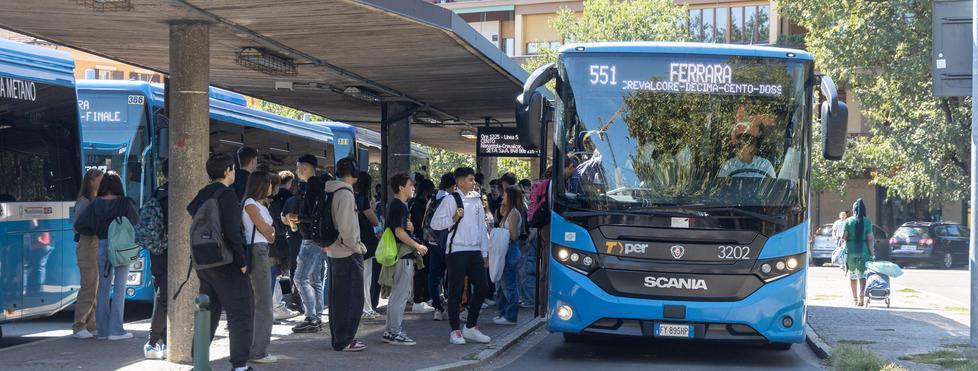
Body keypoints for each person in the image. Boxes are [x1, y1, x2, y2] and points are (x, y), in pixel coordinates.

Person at [186, 154, 254, 371]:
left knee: (210, 312)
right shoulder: (227, 195)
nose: (234, 173)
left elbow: (192, 212)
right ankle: (240, 365)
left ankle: (199, 360)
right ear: (227, 171)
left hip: (204, 262)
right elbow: (233, 232)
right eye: (233, 169)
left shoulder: (203, 194)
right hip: (226, 262)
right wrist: (242, 261)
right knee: (241, 312)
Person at [73, 171, 138, 341]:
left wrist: (97, 231)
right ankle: (116, 330)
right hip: (122, 249)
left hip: (102, 246)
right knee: (120, 289)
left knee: (103, 288)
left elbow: (80, 225)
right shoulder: (124, 203)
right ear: (118, 186)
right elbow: (136, 221)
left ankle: (102, 330)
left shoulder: (95, 204)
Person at [431, 167, 492, 345]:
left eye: (474, 180)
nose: (474, 182)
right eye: (471, 179)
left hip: (474, 250)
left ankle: (470, 327)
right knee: (455, 291)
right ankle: (455, 330)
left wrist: (485, 252)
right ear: (460, 182)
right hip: (456, 250)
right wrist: (453, 219)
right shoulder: (450, 199)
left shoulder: (477, 200)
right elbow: (435, 223)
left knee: (482, 286)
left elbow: (482, 228)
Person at [325, 158, 369, 352]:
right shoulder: (346, 194)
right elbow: (346, 227)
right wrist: (356, 246)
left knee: (338, 299)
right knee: (353, 298)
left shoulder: (330, 190)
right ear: (355, 172)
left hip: (333, 250)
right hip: (347, 253)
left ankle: (338, 338)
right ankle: (344, 340)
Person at [381, 173, 429, 346]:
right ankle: (394, 332)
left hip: (398, 256)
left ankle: (391, 331)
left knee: (397, 296)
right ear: (401, 187)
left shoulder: (397, 205)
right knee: (400, 296)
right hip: (403, 256)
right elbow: (399, 232)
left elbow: (400, 229)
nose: (413, 188)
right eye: (410, 185)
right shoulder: (399, 206)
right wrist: (418, 246)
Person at [241, 171, 278, 364]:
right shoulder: (250, 204)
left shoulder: (258, 204)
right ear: (261, 185)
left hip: (260, 249)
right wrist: (271, 233)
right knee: (264, 303)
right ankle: (259, 351)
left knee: (260, 302)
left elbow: (270, 231)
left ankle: (255, 348)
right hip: (258, 250)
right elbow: (266, 230)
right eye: (269, 184)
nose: (272, 187)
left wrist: (270, 233)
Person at [289, 154, 327, 333]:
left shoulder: (312, 187)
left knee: (300, 277)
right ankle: (317, 316)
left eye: (298, 168)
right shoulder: (320, 186)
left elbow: (313, 216)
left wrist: (298, 218)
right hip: (318, 239)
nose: (297, 172)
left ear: (304, 168)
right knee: (314, 279)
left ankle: (311, 317)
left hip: (310, 239)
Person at [138, 161, 168, 359]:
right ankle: (153, 342)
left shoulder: (157, 192)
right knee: (164, 297)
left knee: (162, 294)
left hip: (156, 252)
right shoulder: (177, 194)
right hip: (170, 252)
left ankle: (165, 342)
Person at [71, 168, 103, 340]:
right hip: (87, 245)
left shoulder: (96, 199)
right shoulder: (84, 201)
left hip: (95, 245)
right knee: (88, 286)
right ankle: (79, 325)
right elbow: (76, 226)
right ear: (91, 181)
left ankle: (91, 324)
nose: (102, 182)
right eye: (100, 178)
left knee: (95, 287)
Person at [425, 173, 456, 321]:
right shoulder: (451, 200)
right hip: (448, 243)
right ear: (453, 185)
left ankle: (438, 307)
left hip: (432, 242)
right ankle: (454, 308)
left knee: (434, 277)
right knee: (452, 276)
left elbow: (425, 221)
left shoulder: (432, 198)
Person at [494, 186, 526, 326]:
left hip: (510, 249)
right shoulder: (508, 211)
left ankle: (510, 315)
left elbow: (513, 235)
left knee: (509, 284)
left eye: (505, 195)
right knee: (502, 283)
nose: (502, 197)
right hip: (506, 249)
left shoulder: (513, 213)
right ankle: (504, 313)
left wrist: (501, 233)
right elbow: (499, 215)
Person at [354, 171, 382, 320]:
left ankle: (361, 307)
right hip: (366, 242)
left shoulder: (348, 196)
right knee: (366, 277)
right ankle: (366, 307)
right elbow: (375, 221)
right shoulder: (362, 199)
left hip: (352, 241)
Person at [718, 110, 775, 178]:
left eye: (740, 145)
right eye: (736, 145)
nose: (737, 148)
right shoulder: (728, 166)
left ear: (751, 147)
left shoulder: (765, 165)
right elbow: (721, 188)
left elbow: (773, 187)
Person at [842, 199, 875, 307]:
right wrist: (872, 254)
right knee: (862, 275)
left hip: (851, 252)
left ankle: (854, 299)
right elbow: (869, 239)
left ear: (853, 209)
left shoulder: (847, 221)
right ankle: (862, 295)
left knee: (852, 276)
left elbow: (844, 237)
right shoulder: (867, 222)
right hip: (864, 252)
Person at [409, 178, 436, 313]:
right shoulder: (421, 204)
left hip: (417, 240)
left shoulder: (413, 203)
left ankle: (423, 298)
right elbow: (423, 224)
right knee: (422, 270)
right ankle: (419, 299)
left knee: (422, 270)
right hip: (421, 241)